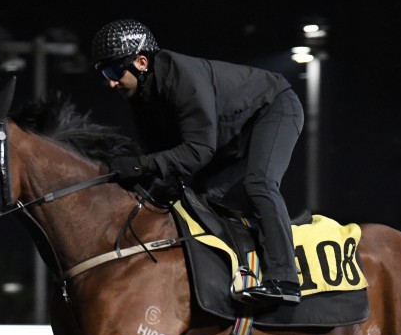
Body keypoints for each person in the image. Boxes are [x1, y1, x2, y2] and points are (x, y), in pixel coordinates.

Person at [91, 18, 304, 306]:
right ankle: (238, 268)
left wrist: (139, 166)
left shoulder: (182, 77)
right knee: (198, 197)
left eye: (114, 70)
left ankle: (286, 279)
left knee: (260, 182)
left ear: (141, 62)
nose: (111, 82)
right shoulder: (141, 96)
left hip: (275, 109)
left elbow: (197, 152)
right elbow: (161, 161)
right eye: (104, 72)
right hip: (232, 134)